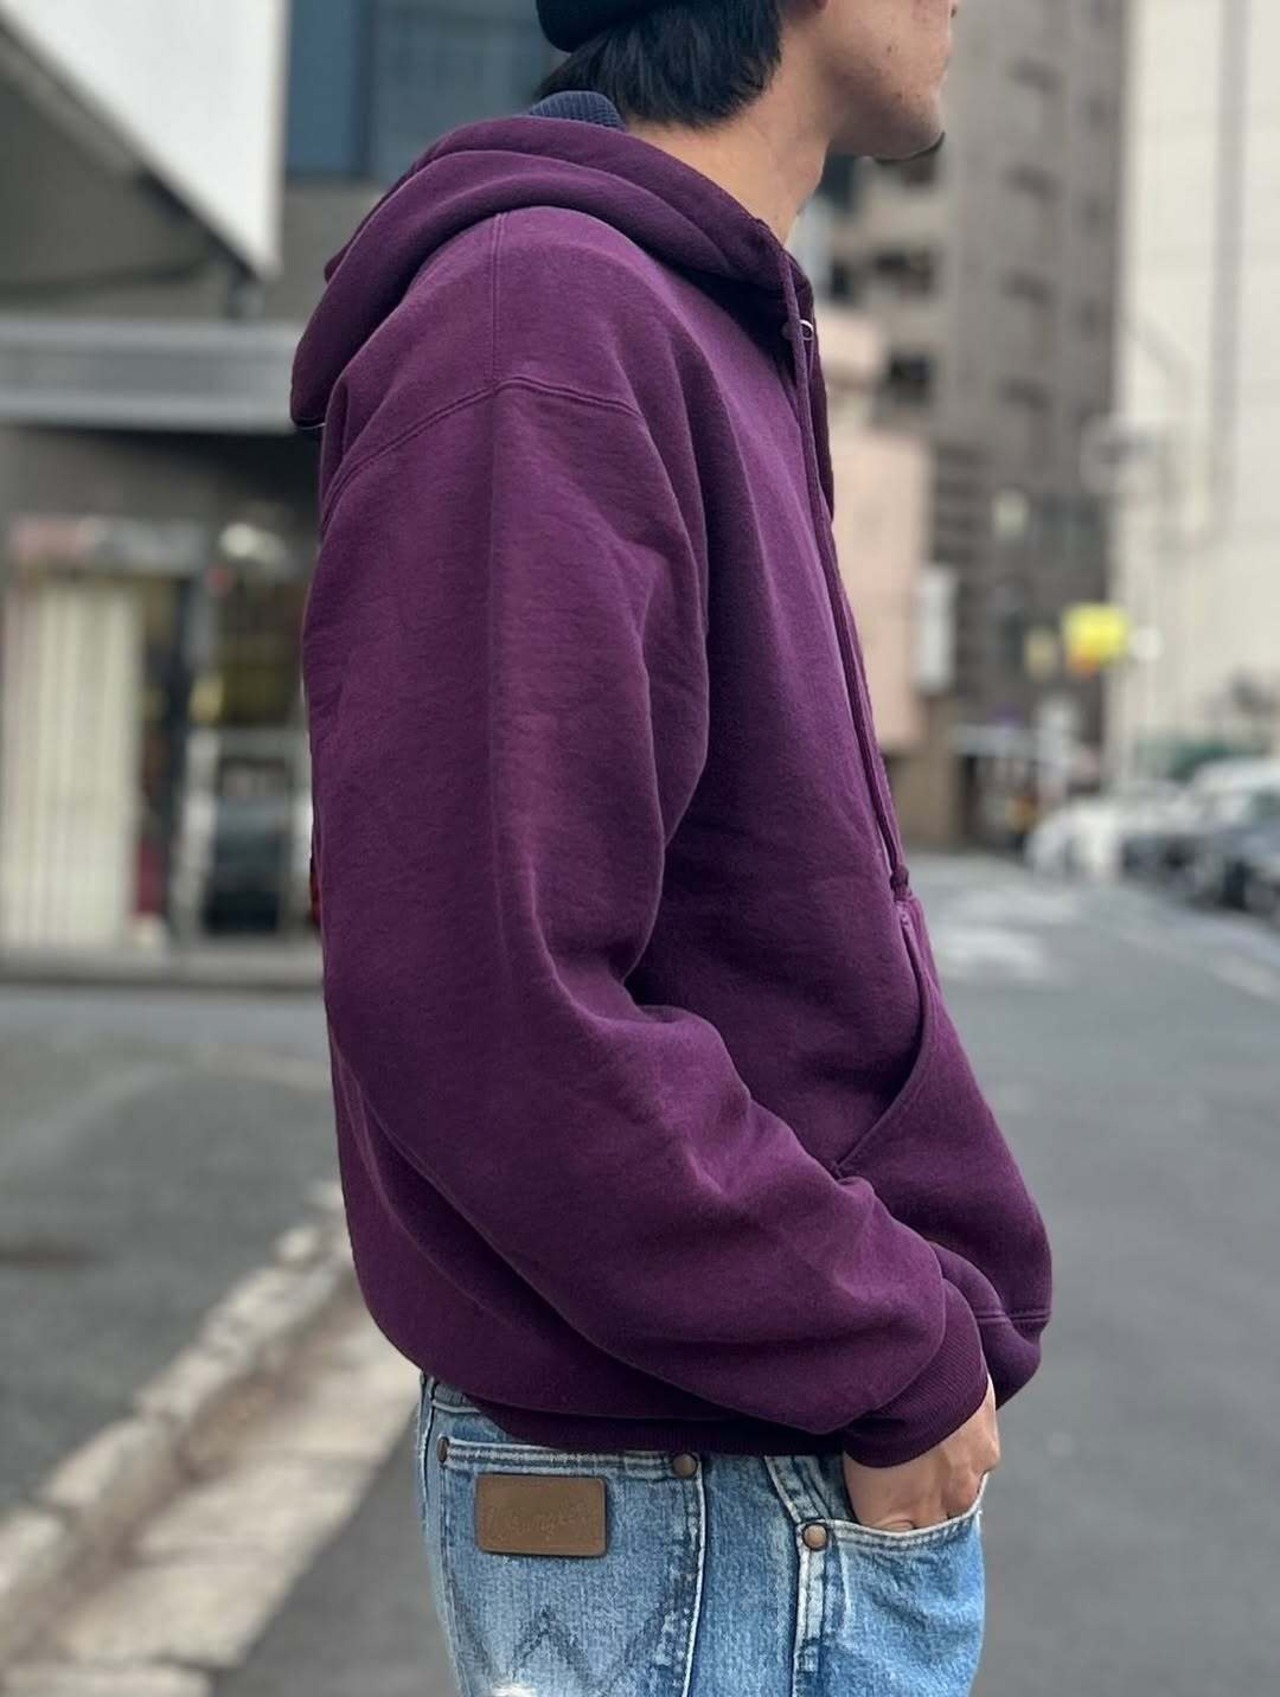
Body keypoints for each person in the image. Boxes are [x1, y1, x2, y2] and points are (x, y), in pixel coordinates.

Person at [291, 2, 1052, 1692]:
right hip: (707, 1496)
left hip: (735, 1475)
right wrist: (888, 1343)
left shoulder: (674, 311)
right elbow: (489, 999)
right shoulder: (545, 322)